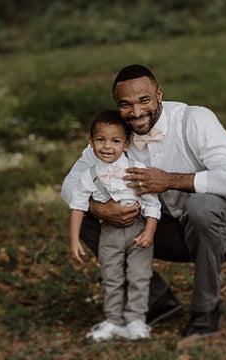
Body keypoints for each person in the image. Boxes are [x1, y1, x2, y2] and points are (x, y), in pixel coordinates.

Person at [62, 64, 226, 338]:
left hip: (225, 230)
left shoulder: (194, 120)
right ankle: (156, 300)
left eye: (144, 101)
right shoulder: (116, 135)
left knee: (202, 206)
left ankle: (205, 311)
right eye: (126, 105)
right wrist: (99, 208)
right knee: (84, 215)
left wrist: (171, 181)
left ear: (159, 94)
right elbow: (69, 184)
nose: (137, 113)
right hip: (164, 232)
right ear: (117, 106)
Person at [67, 109, 161, 341]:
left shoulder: (136, 170)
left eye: (115, 141)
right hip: (109, 232)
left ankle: (136, 320)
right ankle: (113, 320)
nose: (107, 146)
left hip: (138, 230)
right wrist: (73, 240)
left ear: (126, 144)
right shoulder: (89, 175)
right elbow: (77, 205)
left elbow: (152, 202)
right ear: (91, 142)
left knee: (139, 275)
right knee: (112, 277)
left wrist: (149, 231)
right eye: (101, 140)